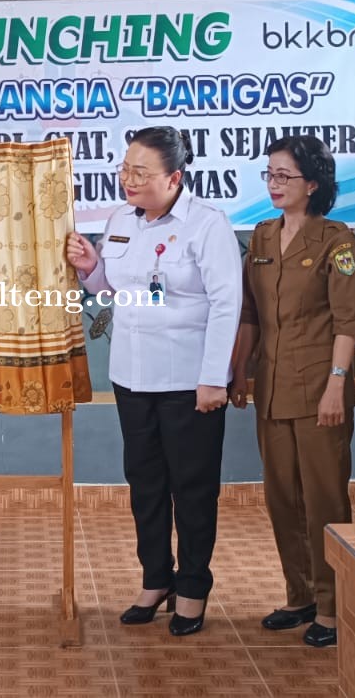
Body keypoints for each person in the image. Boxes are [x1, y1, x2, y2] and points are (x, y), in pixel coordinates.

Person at [64, 126, 242, 637]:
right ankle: (155, 578)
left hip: (190, 379)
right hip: (132, 375)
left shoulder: (207, 226)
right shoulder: (121, 220)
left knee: (192, 487)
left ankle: (192, 587)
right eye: (125, 170)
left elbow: (227, 304)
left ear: (175, 178)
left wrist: (215, 378)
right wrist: (91, 268)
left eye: (140, 173)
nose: (128, 180)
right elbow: (110, 289)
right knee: (144, 483)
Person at [228, 135, 355, 649]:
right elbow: (249, 315)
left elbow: (349, 321)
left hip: (319, 389)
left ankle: (333, 605)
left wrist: (337, 385)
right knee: (282, 498)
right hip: (271, 389)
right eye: (269, 174)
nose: (274, 184)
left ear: (313, 183)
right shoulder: (261, 238)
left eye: (284, 176)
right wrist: (239, 369)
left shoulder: (337, 240)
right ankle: (300, 594)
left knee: (325, 498)